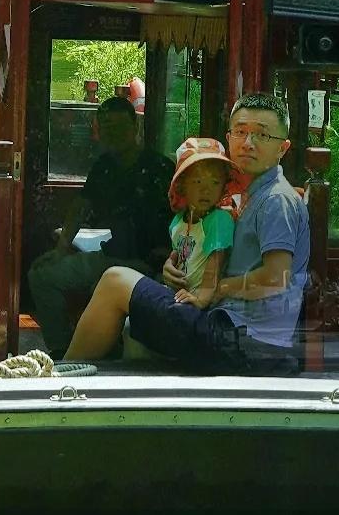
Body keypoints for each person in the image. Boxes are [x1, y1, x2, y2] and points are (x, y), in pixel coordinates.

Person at [117, 94, 310, 375]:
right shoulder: (236, 199)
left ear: (283, 147)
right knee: (132, 328)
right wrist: (174, 264)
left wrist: (216, 289)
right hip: (229, 327)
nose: (248, 143)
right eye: (241, 132)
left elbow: (276, 279)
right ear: (228, 137)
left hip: (247, 342)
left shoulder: (275, 200)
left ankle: (56, 382)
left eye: (262, 135)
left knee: (116, 281)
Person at [63, 136, 235, 362]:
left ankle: (66, 369)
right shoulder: (180, 221)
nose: (206, 190)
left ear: (224, 186)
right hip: (179, 295)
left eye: (214, 183)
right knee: (131, 327)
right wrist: (169, 264)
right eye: (198, 182)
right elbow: (179, 251)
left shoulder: (220, 220)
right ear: (182, 185)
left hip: (199, 308)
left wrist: (202, 297)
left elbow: (216, 260)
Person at [25, 94, 170, 355]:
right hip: (112, 256)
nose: (112, 133)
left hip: (149, 263)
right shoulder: (104, 167)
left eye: (118, 126)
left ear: (135, 127)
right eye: (106, 127)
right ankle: (61, 352)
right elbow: (80, 207)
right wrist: (61, 248)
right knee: (42, 274)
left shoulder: (160, 168)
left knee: (99, 290)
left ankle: (95, 353)